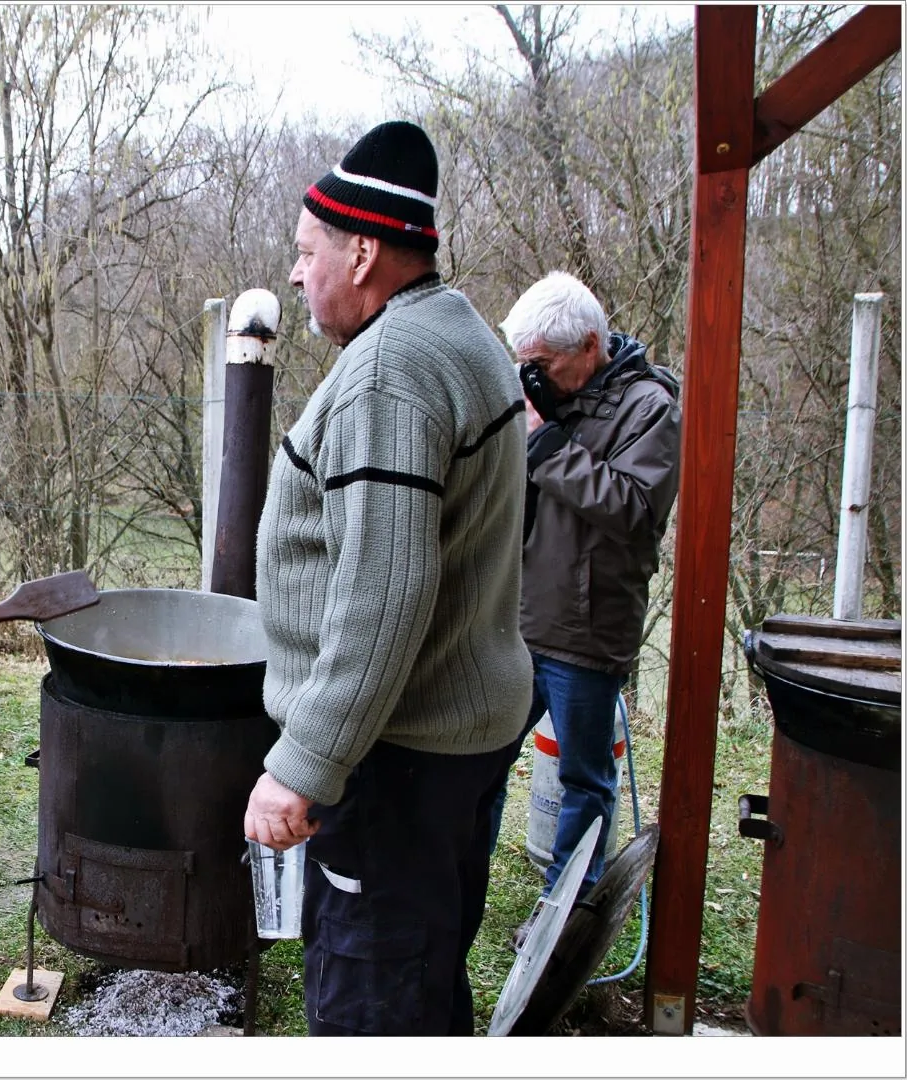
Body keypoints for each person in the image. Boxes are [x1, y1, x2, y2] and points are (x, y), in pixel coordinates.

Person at [242, 121, 531, 1036]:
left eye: (307, 252)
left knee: (372, 1005)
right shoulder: (459, 330)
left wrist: (303, 765)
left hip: (394, 761)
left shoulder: (388, 373)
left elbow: (384, 595)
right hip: (451, 743)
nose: (296, 275)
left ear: (362, 253)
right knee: (423, 978)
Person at [490, 271, 682, 948]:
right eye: (524, 362)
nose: (531, 376)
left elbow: (634, 509)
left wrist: (546, 444)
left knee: (584, 780)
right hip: (515, 622)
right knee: (480, 759)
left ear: (591, 346)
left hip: (586, 629)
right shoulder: (544, 395)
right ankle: (460, 875)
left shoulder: (650, 408)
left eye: (542, 363)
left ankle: (561, 916)